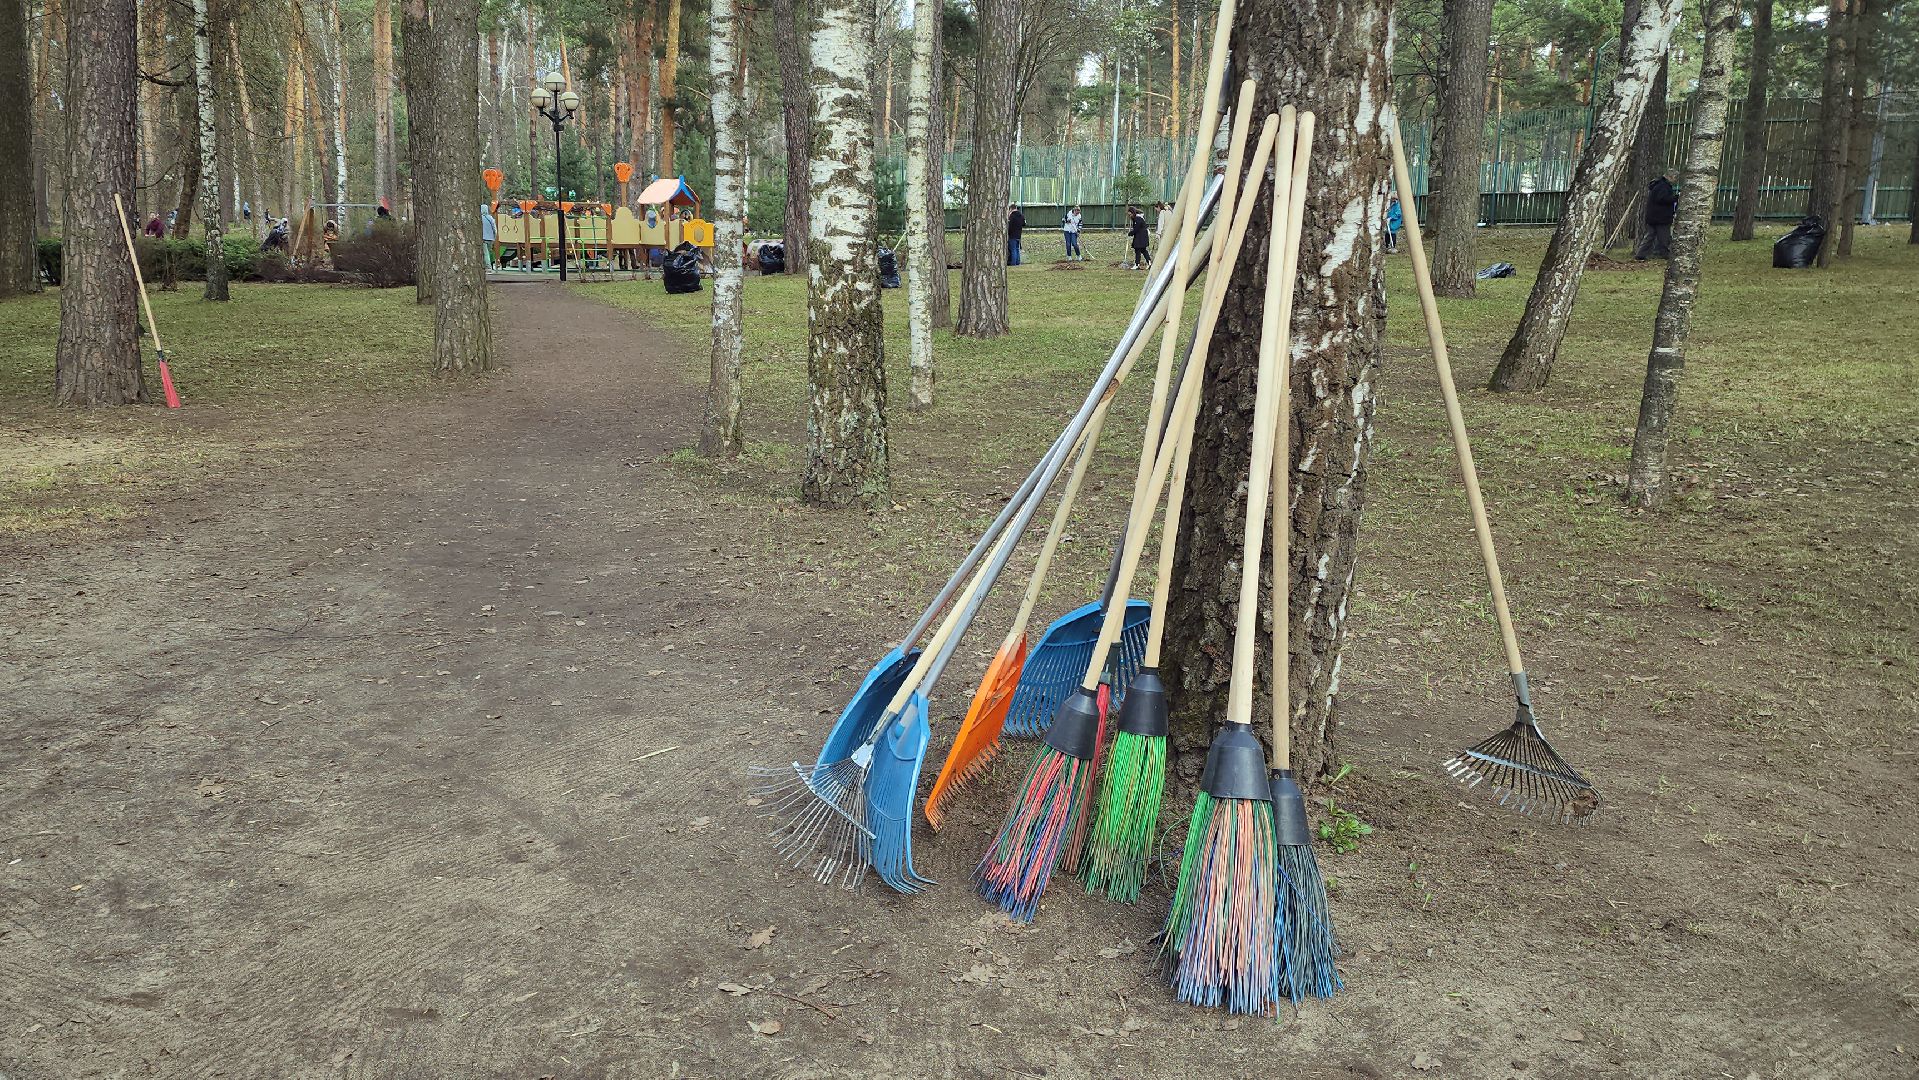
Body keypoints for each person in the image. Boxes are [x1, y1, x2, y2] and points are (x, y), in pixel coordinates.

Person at [1636, 174, 1678, 260]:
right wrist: (1674, 198)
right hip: (1661, 217)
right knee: (1664, 237)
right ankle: (1665, 254)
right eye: (1675, 177)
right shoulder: (1664, 187)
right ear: (1670, 177)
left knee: (1650, 236)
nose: (1675, 180)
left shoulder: (1657, 185)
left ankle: (1640, 254)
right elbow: (1662, 199)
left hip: (1653, 216)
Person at [1128, 206, 1150, 270]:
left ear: (1133, 212)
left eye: (1130, 214)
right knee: (1143, 250)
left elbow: (1136, 229)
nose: (1130, 216)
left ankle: (1137, 264)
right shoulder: (1138, 218)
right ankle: (1149, 262)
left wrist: (1131, 233)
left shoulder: (1138, 219)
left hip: (1140, 237)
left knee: (1138, 250)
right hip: (1141, 237)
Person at [481, 202, 497, 268]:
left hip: (483, 238)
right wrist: (495, 236)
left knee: (485, 252)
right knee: (489, 252)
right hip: (490, 238)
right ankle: (491, 264)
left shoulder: (480, 218)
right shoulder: (490, 218)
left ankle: (488, 266)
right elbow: (494, 228)